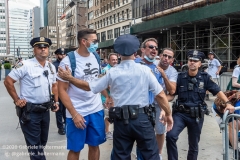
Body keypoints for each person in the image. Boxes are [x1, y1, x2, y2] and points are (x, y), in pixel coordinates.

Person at [57, 34, 174, 160]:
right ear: (136, 52)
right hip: (142, 120)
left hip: (121, 121)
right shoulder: (145, 71)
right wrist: (168, 114)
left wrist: (70, 78)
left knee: (121, 156)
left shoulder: (112, 72)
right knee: (150, 156)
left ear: (118, 54)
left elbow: (89, 87)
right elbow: (161, 95)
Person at [166, 50, 235, 160]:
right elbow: (172, 95)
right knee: (170, 136)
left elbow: (217, 91)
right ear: (187, 61)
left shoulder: (205, 77)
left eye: (195, 60)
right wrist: (161, 100)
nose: (192, 62)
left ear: (200, 63)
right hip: (180, 114)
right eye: (190, 60)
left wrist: (228, 103)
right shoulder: (180, 77)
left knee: (193, 145)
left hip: (196, 116)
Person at [4, 37, 59, 160]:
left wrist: (56, 101)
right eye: (39, 47)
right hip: (30, 112)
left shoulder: (50, 67)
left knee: (42, 143)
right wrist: (17, 99)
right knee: (35, 147)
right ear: (34, 50)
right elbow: (8, 81)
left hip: (45, 111)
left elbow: (55, 85)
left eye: (45, 47)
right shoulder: (25, 65)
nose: (43, 49)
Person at [57, 29, 108, 160]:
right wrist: (74, 114)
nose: (97, 43)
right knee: (75, 149)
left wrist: (107, 96)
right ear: (84, 42)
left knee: (95, 145)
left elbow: (96, 81)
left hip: (96, 109)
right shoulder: (68, 61)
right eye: (94, 41)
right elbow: (61, 90)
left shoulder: (96, 57)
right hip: (77, 111)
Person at [155, 48, 178, 159]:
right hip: (146, 102)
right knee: (145, 130)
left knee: (160, 131)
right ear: (160, 55)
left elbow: (172, 91)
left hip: (161, 104)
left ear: (172, 60)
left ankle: (159, 154)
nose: (166, 58)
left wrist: (164, 75)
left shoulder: (172, 71)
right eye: (164, 55)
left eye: (169, 57)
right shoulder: (152, 64)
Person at [101, 53, 118, 139]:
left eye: (116, 59)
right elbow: (106, 84)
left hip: (116, 98)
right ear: (108, 61)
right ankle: (107, 131)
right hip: (107, 97)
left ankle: (115, 131)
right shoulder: (105, 70)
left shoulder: (118, 69)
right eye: (113, 60)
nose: (115, 61)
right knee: (108, 115)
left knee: (115, 114)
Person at [52, 48, 67, 135]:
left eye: (64, 54)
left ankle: (67, 125)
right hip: (57, 90)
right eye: (61, 54)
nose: (63, 56)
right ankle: (60, 128)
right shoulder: (54, 65)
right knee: (59, 110)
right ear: (57, 55)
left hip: (67, 90)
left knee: (66, 110)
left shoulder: (67, 64)